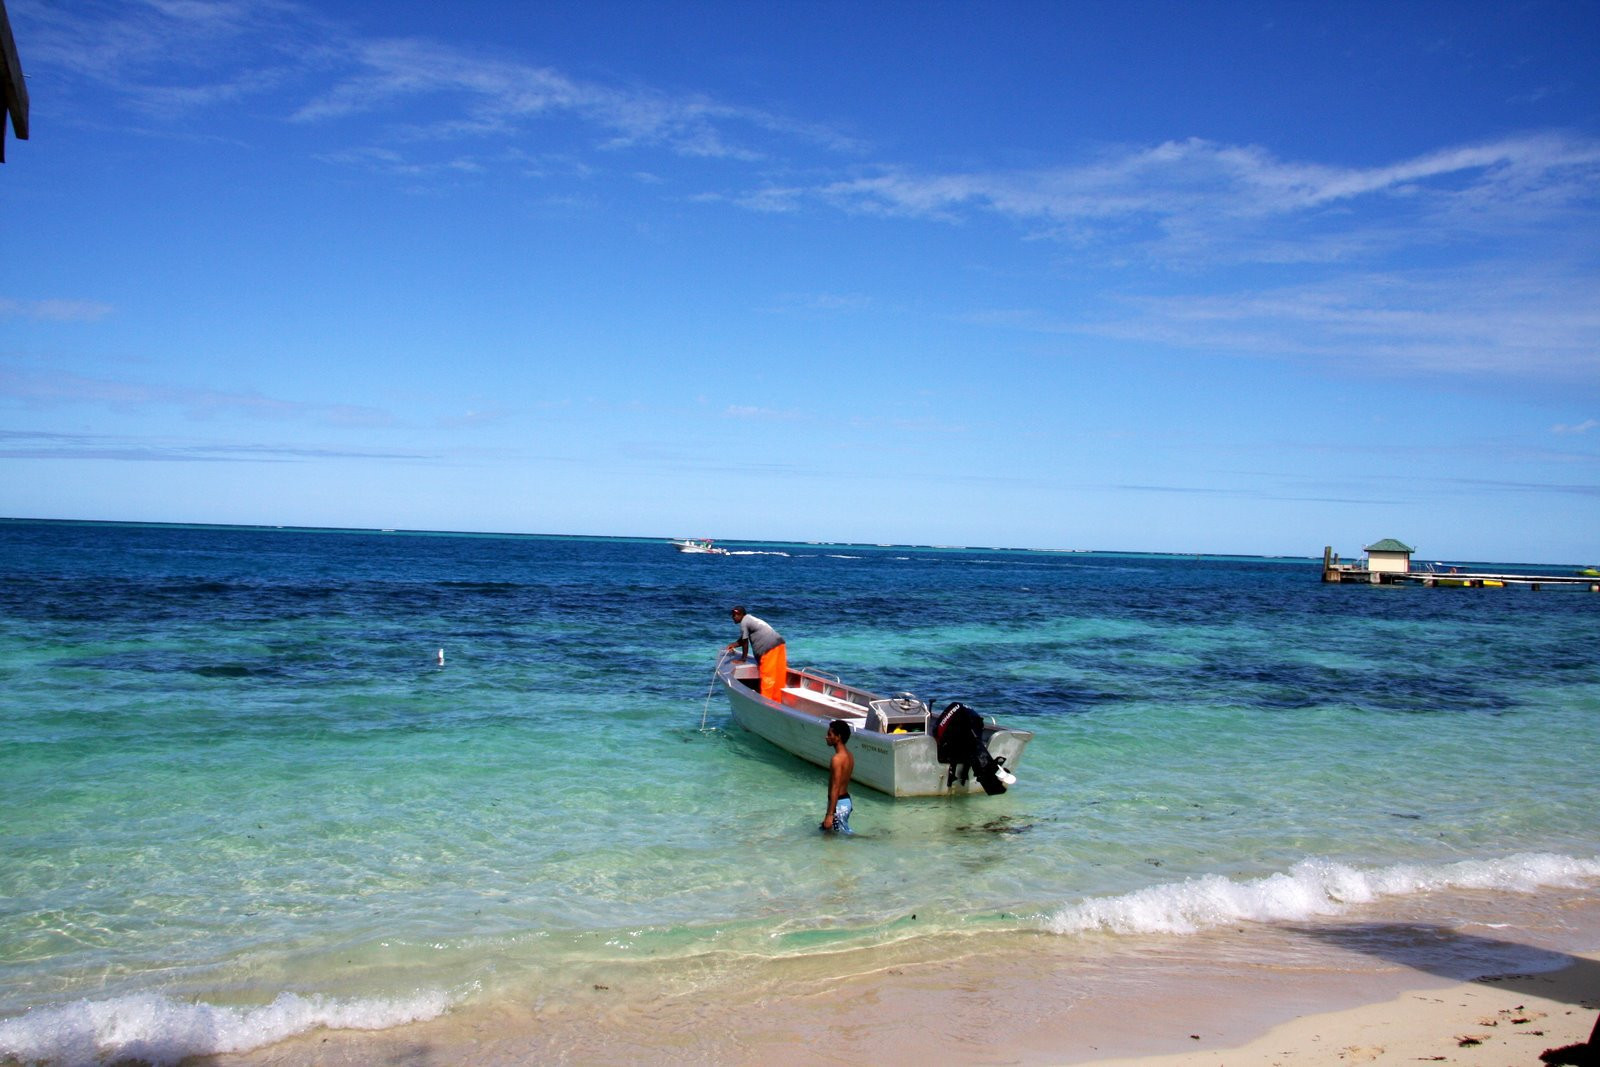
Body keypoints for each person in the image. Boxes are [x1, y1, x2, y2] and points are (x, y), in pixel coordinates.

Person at [726, 606, 787, 702]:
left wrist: (743, 659)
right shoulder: (750, 619)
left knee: (768, 678)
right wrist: (734, 644)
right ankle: (777, 702)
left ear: (741, 615)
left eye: (735, 615)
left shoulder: (744, 623)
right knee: (778, 678)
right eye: (733, 615)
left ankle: (767, 705)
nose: (733, 617)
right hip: (779, 645)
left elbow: (745, 642)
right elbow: (743, 640)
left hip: (769, 649)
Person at [821, 719, 854, 834]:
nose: (826, 737)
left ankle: (871, 840)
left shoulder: (837, 759)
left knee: (831, 837)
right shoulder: (849, 755)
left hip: (838, 804)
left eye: (830, 734)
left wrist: (830, 814)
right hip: (845, 802)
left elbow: (835, 787)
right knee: (839, 835)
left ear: (838, 737)